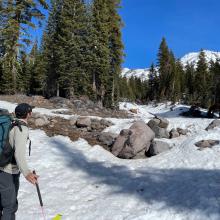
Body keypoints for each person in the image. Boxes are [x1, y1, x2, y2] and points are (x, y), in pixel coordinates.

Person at [0, 103, 38, 220]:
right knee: (9, 206)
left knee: (3, 203)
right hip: (8, 171)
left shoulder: (11, 123)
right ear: (29, 113)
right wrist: (27, 173)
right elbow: (19, 153)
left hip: (2, 167)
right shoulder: (21, 129)